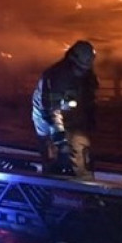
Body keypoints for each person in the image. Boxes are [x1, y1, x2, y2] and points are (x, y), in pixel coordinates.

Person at [32, 40, 99, 178]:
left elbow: (88, 100)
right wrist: (61, 142)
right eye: (80, 69)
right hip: (47, 122)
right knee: (54, 158)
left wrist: (90, 121)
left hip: (71, 119)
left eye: (85, 69)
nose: (82, 72)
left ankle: (84, 190)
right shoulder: (54, 78)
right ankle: (53, 189)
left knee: (81, 153)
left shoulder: (86, 76)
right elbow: (51, 112)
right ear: (71, 61)